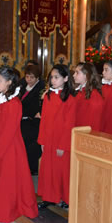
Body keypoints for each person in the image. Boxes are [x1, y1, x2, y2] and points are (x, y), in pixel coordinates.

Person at [0, 66, 38, 222]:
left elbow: (10, 130)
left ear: (9, 82)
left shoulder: (14, 103)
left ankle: (7, 209)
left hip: (10, 148)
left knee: (8, 180)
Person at [37, 64, 76, 209]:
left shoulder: (70, 99)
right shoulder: (48, 96)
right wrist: (42, 140)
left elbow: (69, 124)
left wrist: (63, 145)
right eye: (51, 77)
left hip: (61, 141)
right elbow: (44, 120)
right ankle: (49, 197)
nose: (53, 80)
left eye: (56, 77)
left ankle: (65, 198)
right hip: (49, 139)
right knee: (48, 170)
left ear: (65, 78)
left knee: (61, 171)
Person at [20, 64, 45, 175]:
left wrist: (26, 112)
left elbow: (35, 109)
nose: (29, 80)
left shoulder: (41, 89)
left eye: (32, 77)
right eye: (27, 77)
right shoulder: (22, 86)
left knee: (28, 139)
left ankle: (30, 167)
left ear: (37, 78)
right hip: (23, 119)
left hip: (34, 123)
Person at [73, 62, 104, 131]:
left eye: (77, 73)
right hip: (77, 131)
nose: (74, 75)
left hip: (86, 134)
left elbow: (93, 121)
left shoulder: (94, 95)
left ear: (86, 75)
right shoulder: (80, 92)